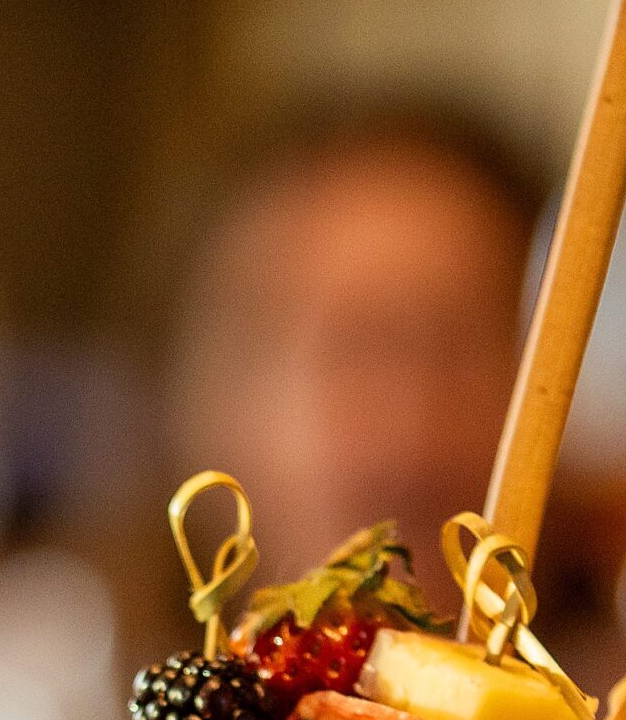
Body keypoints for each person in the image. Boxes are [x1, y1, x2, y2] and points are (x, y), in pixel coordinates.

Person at [158, 102, 545, 592]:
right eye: (357, 347)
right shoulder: (56, 657)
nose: (409, 421)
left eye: (460, 349)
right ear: (216, 392)